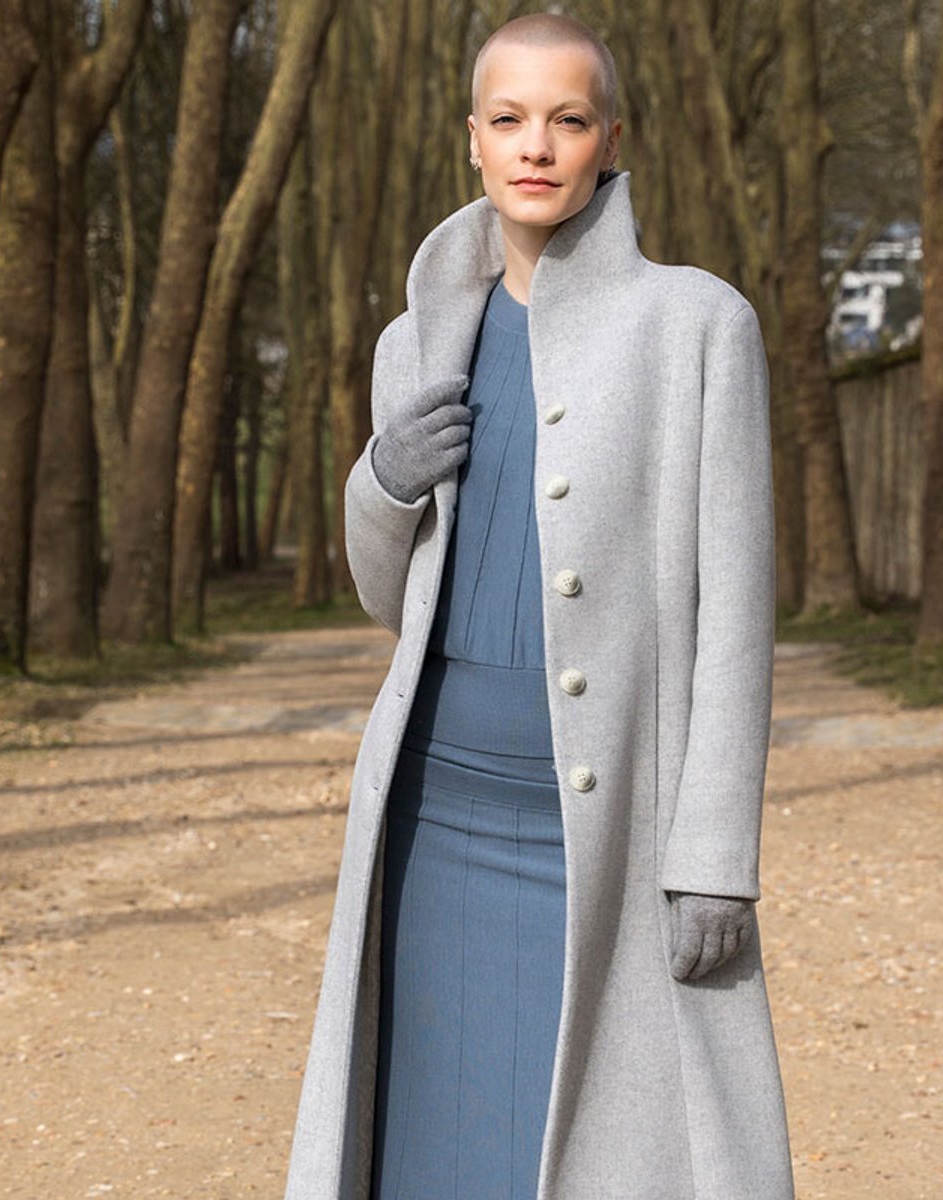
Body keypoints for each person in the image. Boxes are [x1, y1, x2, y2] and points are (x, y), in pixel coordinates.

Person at [283, 13, 795, 1200]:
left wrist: (716, 855)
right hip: (429, 821)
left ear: (611, 138)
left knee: (605, 1152)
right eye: (509, 118)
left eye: (568, 118)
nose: (537, 145)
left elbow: (737, 614)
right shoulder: (413, 341)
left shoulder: (697, 325)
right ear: (472, 137)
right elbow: (390, 602)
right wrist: (382, 481)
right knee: (428, 1139)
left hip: (603, 832)